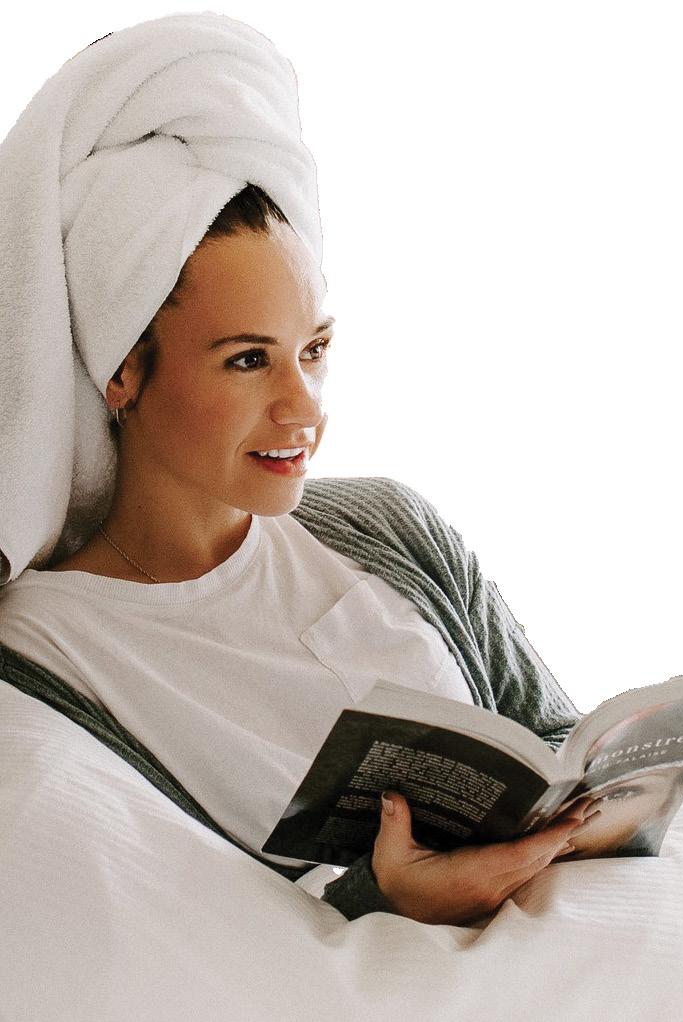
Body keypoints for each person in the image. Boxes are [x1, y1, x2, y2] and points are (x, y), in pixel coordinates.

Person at [0, 17, 591, 928]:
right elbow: (179, 933)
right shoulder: (48, 655)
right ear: (121, 371)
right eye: (247, 360)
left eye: (313, 350)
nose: (303, 409)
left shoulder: (388, 525)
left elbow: (553, 737)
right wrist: (387, 899)